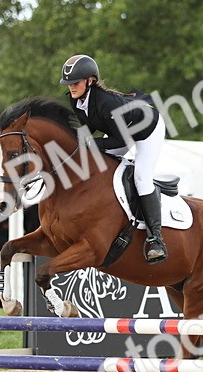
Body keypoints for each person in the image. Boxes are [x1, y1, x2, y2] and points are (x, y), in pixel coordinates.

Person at [59, 53, 168, 263]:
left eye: (76, 82)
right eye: (69, 83)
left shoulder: (106, 103)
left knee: (141, 178)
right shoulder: (76, 101)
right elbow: (88, 129)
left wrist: (90, 144)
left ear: (90, 81)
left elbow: (119, 142)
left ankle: (156, 238)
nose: (71, 87)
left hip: (148, 129)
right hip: (122, 130)